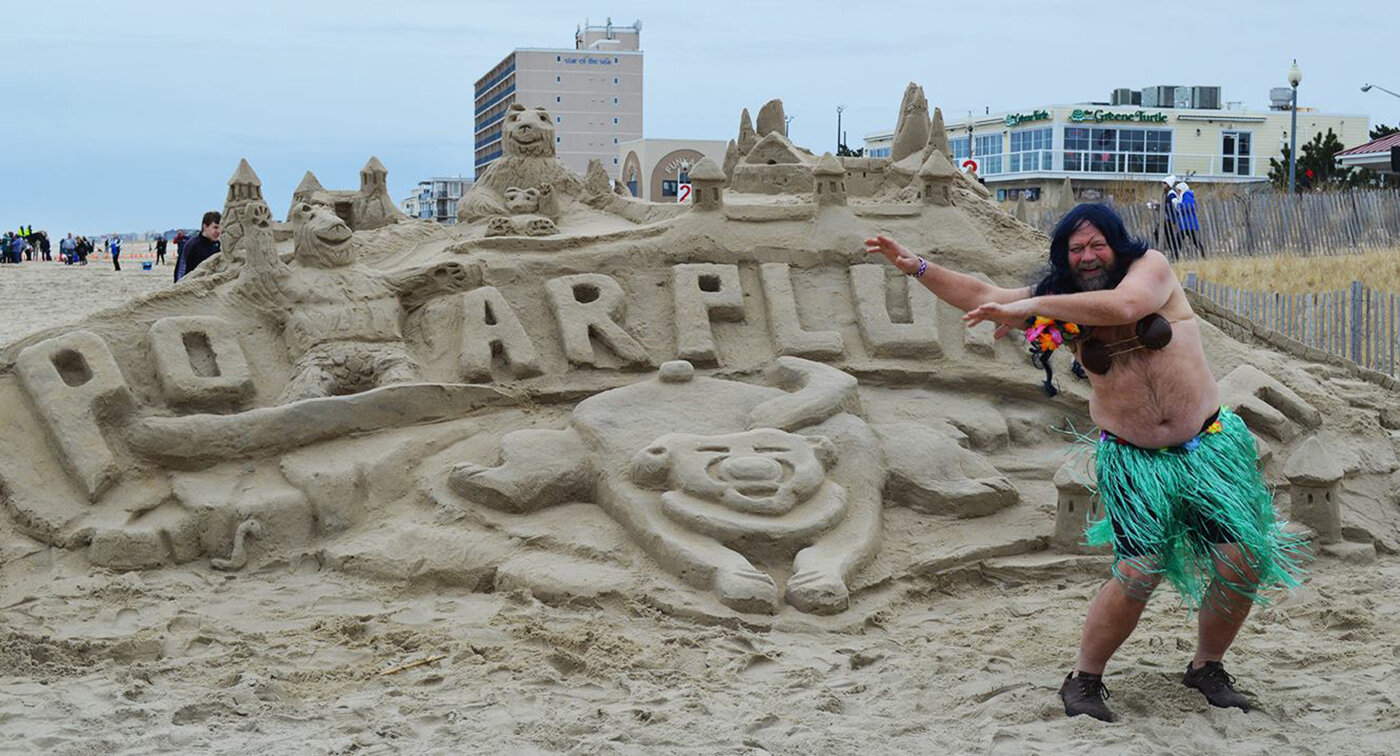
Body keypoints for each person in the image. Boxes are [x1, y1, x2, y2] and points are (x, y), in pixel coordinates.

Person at [864, 203, 1303, 722]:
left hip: (1207, 447)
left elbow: (1123, 307)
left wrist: (1032, 307)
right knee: (1139, 571)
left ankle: (1207, 666)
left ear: (1117, 246)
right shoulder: (1061, 304)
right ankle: (1084, 678)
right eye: (1076, 249)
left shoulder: (1151, 270)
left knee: (1241, 561)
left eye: (1098, 245)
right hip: (1135, 461)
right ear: (1063, 257)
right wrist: (918, 267)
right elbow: (983, 297)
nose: (1089, 255)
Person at [174, 211, 221, 282]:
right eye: (215, 227)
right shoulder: (192, 245)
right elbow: (181, 272)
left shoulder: (219, 245)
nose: (218, 231)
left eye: (220, 228)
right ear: (204, 226)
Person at [1173, 181, 1206, 256]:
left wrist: (1178, 204)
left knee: (1180, 239)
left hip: (1188, 224)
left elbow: (1187, 207)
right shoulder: (1184, 197)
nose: (1177, 192)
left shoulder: (1187, 196)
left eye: (1178, 190)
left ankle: (1176, 256)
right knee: (1185, 240)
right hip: (1187, 223)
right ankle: (1203, 254)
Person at [1156, 175, 1183, 260]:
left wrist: (1161, 206)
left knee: (1167, 236)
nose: (1163, 185)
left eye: (1164, 183)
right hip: (1167, 218)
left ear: (1168, 184)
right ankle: (1173, 253)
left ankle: (1173, 253)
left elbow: (1175, 206)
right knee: (1167, 236)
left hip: (1170, 219)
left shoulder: (1171, 194)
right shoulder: (1167, 194)